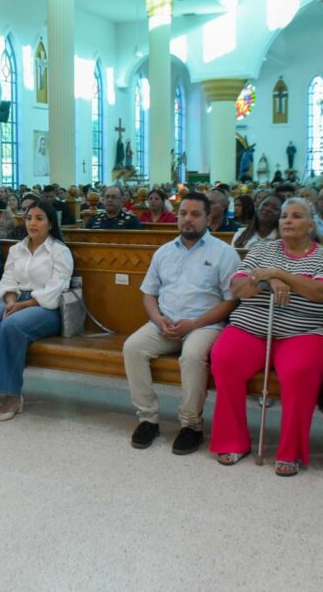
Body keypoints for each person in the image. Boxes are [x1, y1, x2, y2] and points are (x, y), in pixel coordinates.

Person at [210, 197, 323, 477]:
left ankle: (290, 451)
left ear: (311, 225)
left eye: (296, 216)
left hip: (306, 329)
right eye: (285, 216)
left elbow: (322, 292)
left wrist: (279, 274)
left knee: (299, 371)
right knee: (224, 358)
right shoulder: (262, 250)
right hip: (253, 325)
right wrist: (268, 280)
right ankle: (233, 441)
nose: (287, 221)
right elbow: (239, 286)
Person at [122, 192, 240, 454]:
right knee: (133, 348)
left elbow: (231, 301)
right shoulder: (164, 252)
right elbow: (149, 294)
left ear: (208, 218)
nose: (188, 219)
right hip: (165, 322)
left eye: (195, 214)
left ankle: (190, 425)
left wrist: (194, 323)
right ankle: (147, 419)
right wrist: (158, 319)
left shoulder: (224, 253)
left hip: (204, 325)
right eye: (183, 213)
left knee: (192, 356)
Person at [0, 200, 72, 421]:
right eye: (29, 218)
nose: (32, 223)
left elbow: (56, 289)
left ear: (51, 224)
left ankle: (12, 395)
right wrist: (10, 301)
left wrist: (24, 305)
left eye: (39, 219)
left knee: (10, 326)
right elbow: (8, 279)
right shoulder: (17, 249)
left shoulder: (59, 251)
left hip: (45, 307)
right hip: (15, 300)